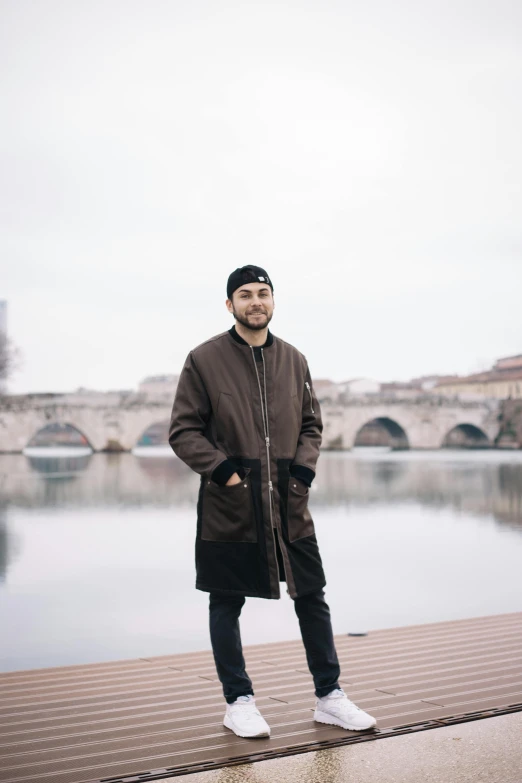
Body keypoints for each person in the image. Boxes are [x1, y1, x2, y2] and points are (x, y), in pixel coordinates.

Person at [169, 265, 377, 738]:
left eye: (263, 293)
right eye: (245, 295)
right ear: (230, 305)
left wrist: (302, 472)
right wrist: (225, 473)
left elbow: (311, 424)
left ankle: (330, 697)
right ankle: (238, 701)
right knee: (225, 600)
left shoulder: (294, 359)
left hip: (290, 499)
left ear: (273, 301)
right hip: (232, 503)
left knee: (312, 595)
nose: (255, 301)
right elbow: (183, 431)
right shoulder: (203, 360)